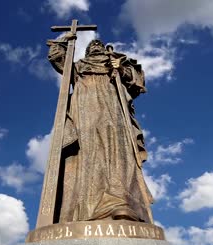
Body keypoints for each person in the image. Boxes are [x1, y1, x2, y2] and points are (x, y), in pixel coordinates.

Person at [47, 33, 153, 223]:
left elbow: (136, 81)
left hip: (113, 107)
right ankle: (83, 209)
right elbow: (58, 59)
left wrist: (121, 68)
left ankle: (120, 200)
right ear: (87, 52)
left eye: (98, 44)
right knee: (88, 154)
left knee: (118, 153)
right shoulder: (79, 66)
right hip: (85, 109)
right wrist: (64, 39)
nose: (95, 45)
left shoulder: (116, 63)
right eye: (92, 45)